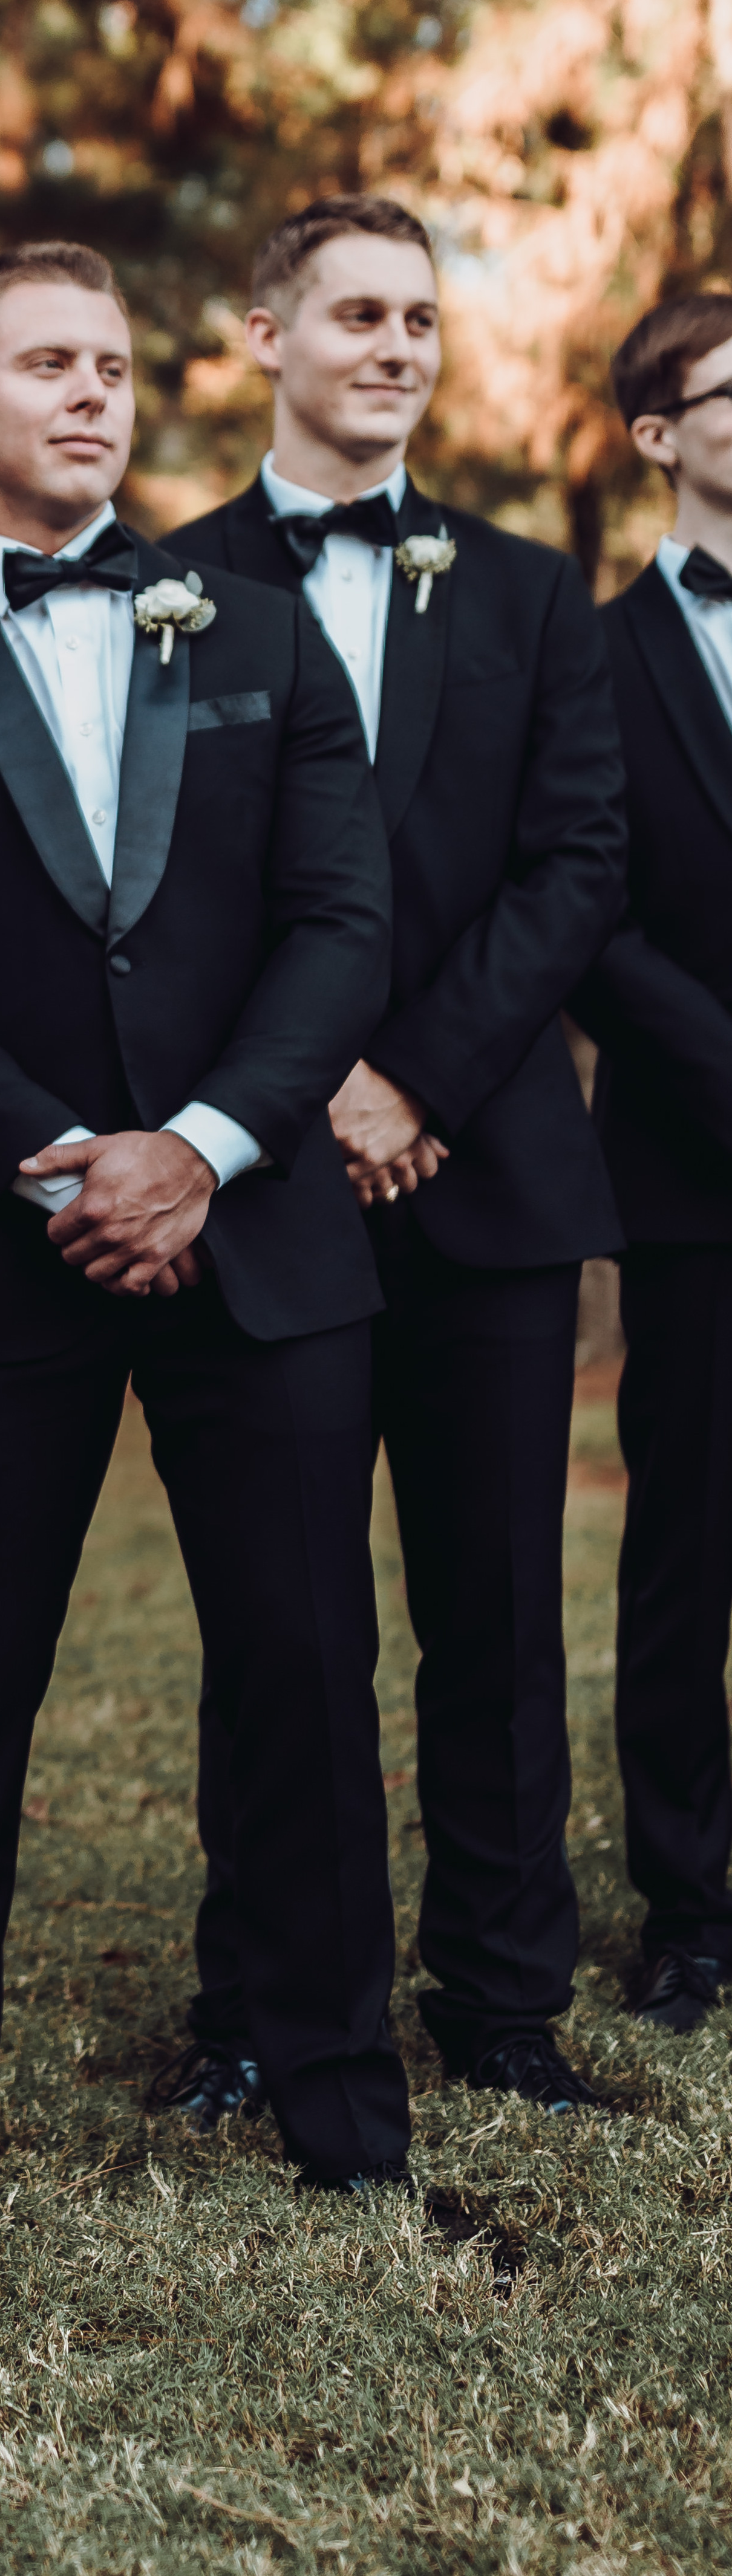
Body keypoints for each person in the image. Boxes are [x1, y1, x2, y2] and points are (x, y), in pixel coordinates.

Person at [0, 237, 411, 2253]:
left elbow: (346, 920)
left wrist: (204, 1144)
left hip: (260, 1236)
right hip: (7, 1258)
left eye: (113, 367)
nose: (93, 395)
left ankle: (346, 2105)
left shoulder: (258, 629)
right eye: (47, 364)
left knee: (309, 1672)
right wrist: (68, 1160)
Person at [166, 196, 627, 2117]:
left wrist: (414, 1079)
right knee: (279, 1621)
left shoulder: (528, 593)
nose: (395, 348)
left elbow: (576, 867)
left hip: (490, 1168)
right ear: (262, 334)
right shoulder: (161, 582)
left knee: (498, 1612)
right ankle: (263, 2009)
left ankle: (506, 2006)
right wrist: (301, 1096)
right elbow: (163, 901)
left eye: (421, 320)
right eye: (355, 314)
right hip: (262, 1184)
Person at [570, 293, 732, 2034]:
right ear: (658, 434)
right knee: (686, 1545)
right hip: (695, 1168)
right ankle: (691, 1904)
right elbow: (590, 911)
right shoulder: (595, 653)